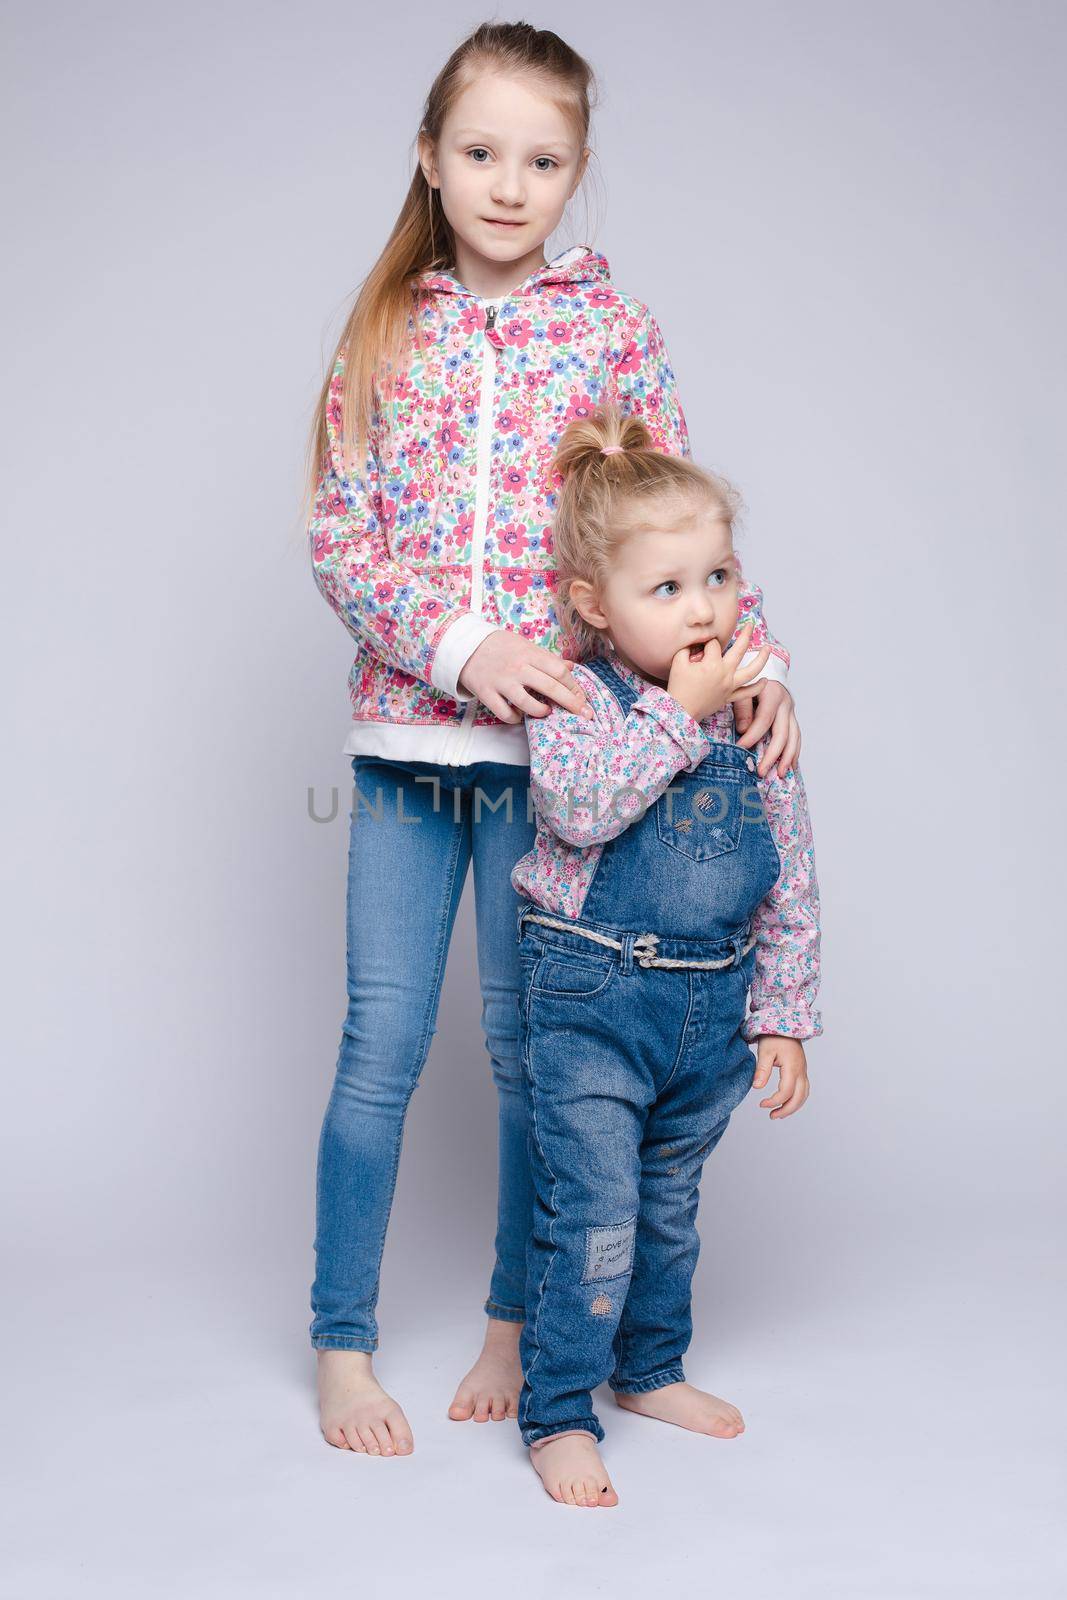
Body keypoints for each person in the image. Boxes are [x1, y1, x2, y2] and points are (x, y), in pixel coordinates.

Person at [306, 21, 802, 1458]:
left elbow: (670, 530)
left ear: (574, 172)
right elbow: (343, 543)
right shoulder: (382, 330)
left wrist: (753, 660)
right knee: (378, 1049)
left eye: (540, 159)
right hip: (410, 755)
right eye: (478, 153)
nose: (507, 185)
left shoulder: (610, 332)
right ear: (429, 159)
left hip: (573, 769)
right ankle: (342, 1345)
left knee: (537, 1063)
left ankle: (520, 1326)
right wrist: (468, 648)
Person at [512, 404, 822, 1507]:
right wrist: (678, 720)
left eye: (719, 577)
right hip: (592, 999)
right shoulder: (575, 699)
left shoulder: (752, 711)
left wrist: (781, 1012)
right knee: (591, 1213)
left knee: (668, 1210)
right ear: (592, 608)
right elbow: (580, 810)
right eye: (667, 588)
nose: (703, 609)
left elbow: (787, 871)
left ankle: (648, 1370)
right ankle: (556, 1411)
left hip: (710, 1004)